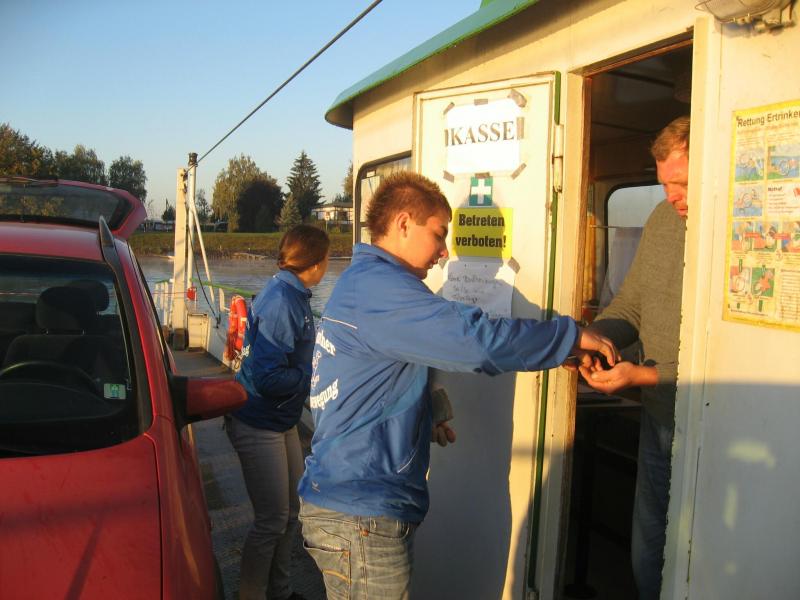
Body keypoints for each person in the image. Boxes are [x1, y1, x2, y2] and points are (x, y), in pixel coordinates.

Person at [297, 171, 619, 599]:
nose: (444, 251)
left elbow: (375, 377)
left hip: (350, 503)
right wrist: (569, 336)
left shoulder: (365, 284)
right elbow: (475, 342)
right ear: (404, 223)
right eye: (439, 234)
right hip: (360, 513)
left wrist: (425, 417)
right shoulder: (382, 291)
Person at [576, 116, 690, 599]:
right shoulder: (663, 219)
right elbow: (631, 306)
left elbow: (732, 354)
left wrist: (641, 375)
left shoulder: (743, 230)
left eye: (682, 184)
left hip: (712, 429)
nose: (671, 196)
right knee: (648, 553)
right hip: (660, 418)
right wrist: (594, 338)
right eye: (664, 183)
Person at [225, 224, 330, 600]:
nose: (327, 266)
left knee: (290, 514)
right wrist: (311, 375)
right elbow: (268, 378)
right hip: (259, 421)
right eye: (326, 259)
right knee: (271, 521)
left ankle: (280, 592)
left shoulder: (293, 293)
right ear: (314, 263)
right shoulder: (282, 301)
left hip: (280, 419)